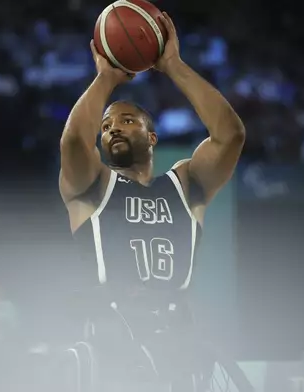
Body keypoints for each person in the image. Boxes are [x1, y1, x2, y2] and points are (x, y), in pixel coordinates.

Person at [58, 12, 245, 391]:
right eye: (107, 126)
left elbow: (231, 135)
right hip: (113, 340)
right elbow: (75, 141)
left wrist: (173, 66)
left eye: (126, 121)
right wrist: (106, 77)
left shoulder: (185, 184)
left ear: (152, 137)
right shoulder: (93, 185)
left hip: (178, 341)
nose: (112, 129)